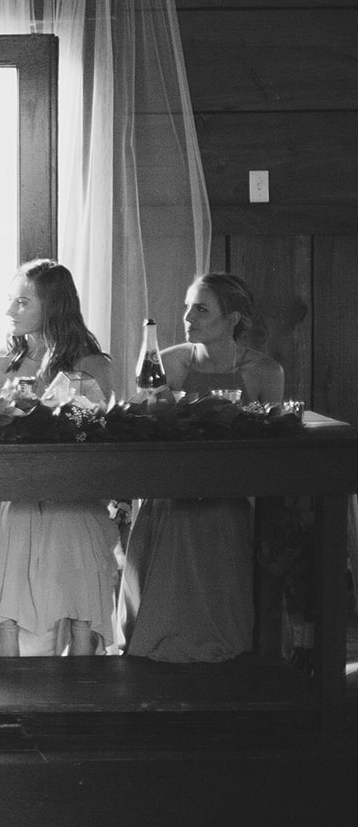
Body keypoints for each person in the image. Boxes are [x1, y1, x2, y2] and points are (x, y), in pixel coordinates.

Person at [119, 273, 284, 662]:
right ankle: (159, 634)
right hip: (171, 491)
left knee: (223, 517)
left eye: (201, 309)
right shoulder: (168, 362)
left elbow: (275, 446)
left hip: (231, 491)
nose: (188, 317)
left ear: (233, 319)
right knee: (172, 513)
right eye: (187, 307)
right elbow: (140, 428)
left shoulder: (264, 372)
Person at [0, 259, 118, 656]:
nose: (9, 310)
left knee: (74, 520)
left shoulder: (92, 366)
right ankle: (9, 653)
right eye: (11, 300)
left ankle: (84, 656)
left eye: (22, 302)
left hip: (75, 489)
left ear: (53, 306)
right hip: (10, 491)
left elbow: (100, 438)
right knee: (15, 518)